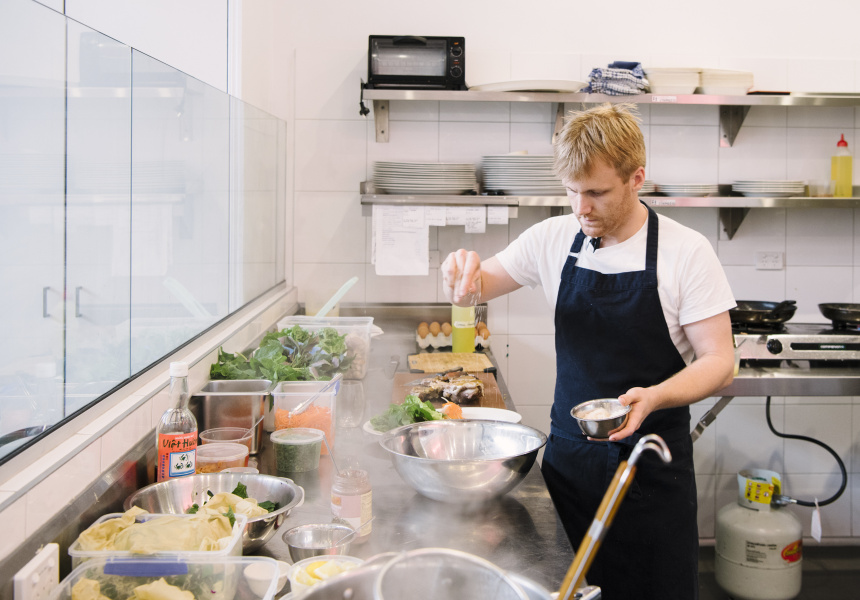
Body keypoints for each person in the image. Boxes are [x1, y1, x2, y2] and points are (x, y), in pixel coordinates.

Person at [441, 103, 736, 600]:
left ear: (636, 178)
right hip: (569, 469)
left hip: (648, 470)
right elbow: (478, 284)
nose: (581, 208)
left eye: (597, 193)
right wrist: (459, 273)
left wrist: (655, 396)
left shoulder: (686, 252)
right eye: (572, 191)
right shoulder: (553, 238)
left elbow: (720, 363)